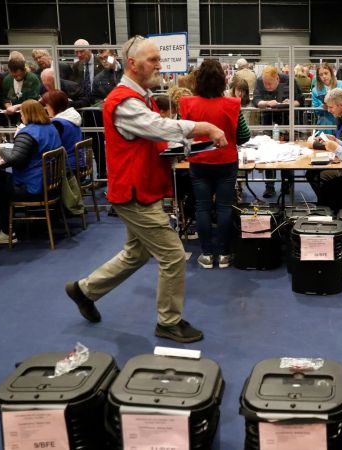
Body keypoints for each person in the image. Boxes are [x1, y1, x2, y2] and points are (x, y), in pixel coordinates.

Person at [64, 35, 227, 343]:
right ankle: (168, 322)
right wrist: (203, 128)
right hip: (135, 194)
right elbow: (159, 128)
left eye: (157, 59)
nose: (159, 65)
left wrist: (187, 145)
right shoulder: (124, 101)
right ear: (132, 64)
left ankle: (84, 290)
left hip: (140, 190)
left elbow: (153, 137)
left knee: (135, 254)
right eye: (152, 60)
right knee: (174, 256)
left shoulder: (138, 97)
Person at [179, 59, 250, 270]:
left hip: (199, 162)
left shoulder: (187, 103)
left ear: (198, 80)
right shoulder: (232, 104)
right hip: (226, 161)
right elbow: (244, 135)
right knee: (224, 207)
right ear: (223, 80)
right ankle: (225, 254)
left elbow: (182, 133)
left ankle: (208, 255)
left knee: (202, 207)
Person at [0, 100, 63, 245]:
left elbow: (15, 159)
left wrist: (0, 150)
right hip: (51, 182)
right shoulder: (51, 127)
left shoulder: (28, 132)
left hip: (32, 186)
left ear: (28, 114)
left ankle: (7, 231)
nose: (21, 117)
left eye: (22, 113)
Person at [252, 65, 303, 198]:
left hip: (287, 121)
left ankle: (287, 185)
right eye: (265, 83)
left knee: (288, 153)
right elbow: (256, 100)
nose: (267, 86)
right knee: (268, 153)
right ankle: (269, 186)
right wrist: (268, 102)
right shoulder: (259, 81)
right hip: (268, 121)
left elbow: (300, 100)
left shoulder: (290, 80)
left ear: (277, 78)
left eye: (270, 83)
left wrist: (291, 102)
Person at [306, 88, 342, 198]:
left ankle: (327, 203)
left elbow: (341, 146)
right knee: (311, 173)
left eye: (331, 107)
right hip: (341, 160)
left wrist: (314, 144)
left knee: (316, 175)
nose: (329, 110)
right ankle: (325, 202)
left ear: (340, 105)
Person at [41, 90, 83, 172]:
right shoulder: (72, 118)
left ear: (54, 106)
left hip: (67, 167)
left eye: (47, 105)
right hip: (79, 163)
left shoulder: (58, 123)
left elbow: (50, 147)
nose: (46, 108)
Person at [311, 63, 342, 130]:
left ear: (331, 73)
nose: (324, 76)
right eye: (321, 75)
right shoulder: (315, 90)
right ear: (318, 77)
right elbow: (315, 110)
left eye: (326, 73)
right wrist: (322, 107)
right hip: (324, 122)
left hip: (340, 120)